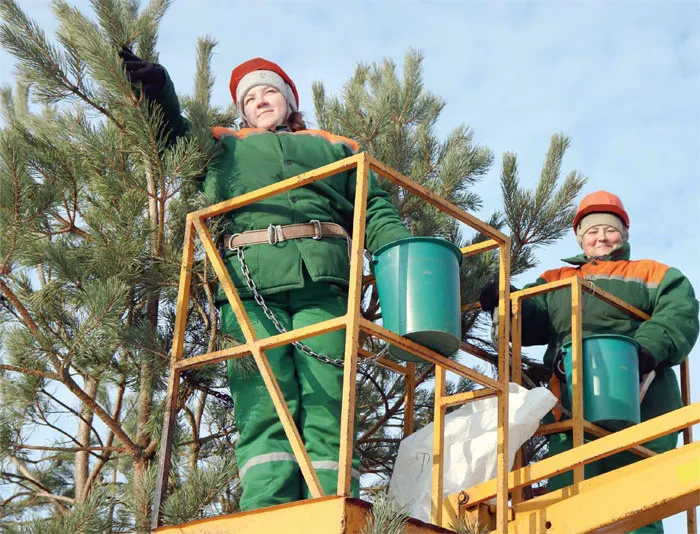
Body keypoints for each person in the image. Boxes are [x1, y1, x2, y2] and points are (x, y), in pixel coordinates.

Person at [119, 49, 412, 510]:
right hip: (248, 289)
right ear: (241, 111)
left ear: (290, 100)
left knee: (328, 401)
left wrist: (404, 258)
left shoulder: (337, 147)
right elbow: (175, 137)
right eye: (249, 97)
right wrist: (158, 93)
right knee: (262, 404)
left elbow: (375, 208)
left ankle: (333, 505)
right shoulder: (225, 145)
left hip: (324, 282)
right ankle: (266, 511)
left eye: (269, 90)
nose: (259, 100)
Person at [479, 190, 698, 534]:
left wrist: (644, 351)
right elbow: (531, 317)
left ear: (623, 234)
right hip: (572, 406)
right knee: (567, 503)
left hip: (642, 404)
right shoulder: (557, 279)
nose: (601, 237)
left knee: (635, 503)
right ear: (581, 237)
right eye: (592, 231)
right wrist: (505, 301)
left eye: (609, 230)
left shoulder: (654, 274)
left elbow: (680, 313)